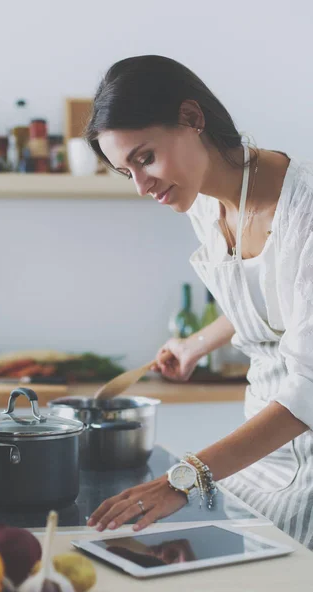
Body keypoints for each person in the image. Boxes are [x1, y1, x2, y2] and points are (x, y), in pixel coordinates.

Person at [84, 55, 313, 549]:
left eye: (145, 158)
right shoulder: (205, 203)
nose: (142, 187)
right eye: (127, 172)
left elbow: (308, 390)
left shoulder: (306, 211)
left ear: (192, 118)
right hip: (259, 457)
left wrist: (181, 479)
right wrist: (196, 344)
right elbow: (273, 297)